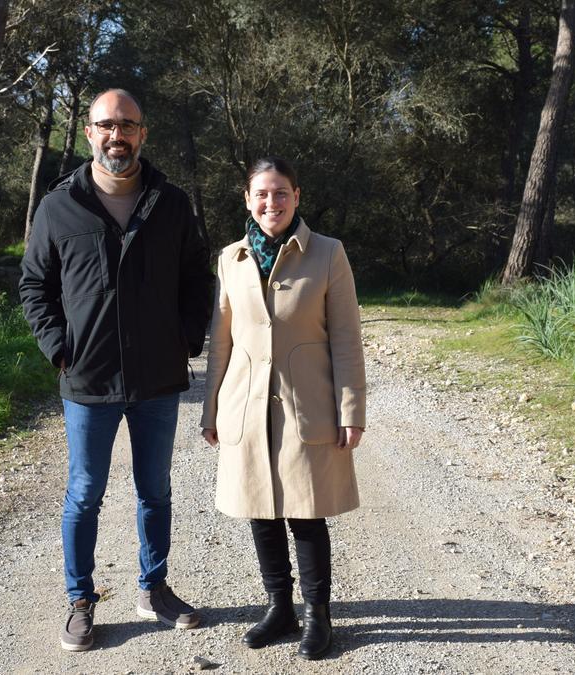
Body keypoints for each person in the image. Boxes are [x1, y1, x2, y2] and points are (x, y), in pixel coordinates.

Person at [20, 88, 213, 653]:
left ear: (142, 133)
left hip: (157, 380)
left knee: (155, 490)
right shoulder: (59, 207)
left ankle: (153, 589)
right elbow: (35, 286)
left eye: (127, 125)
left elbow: (196, 280)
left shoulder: (171, 204)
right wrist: (60, 349)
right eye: (106, 125)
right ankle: (80, 600)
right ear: (89, 132)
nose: (117, 135)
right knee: (84, 494)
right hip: (88, 380)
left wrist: (185, 339)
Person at [200, 156, 365, 660]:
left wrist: (351, 410)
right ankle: (280, 608)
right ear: (248, 200)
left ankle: (319, 615)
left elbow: (346, 338)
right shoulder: (231, 259)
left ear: (297, 197)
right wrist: (211, 411)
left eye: (281, 193)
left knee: (306, 513)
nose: (271, 203)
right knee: (260, 511)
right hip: (246, 407)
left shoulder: (329, 254)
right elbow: (221, 341)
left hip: (307, 405)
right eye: (262, 194)